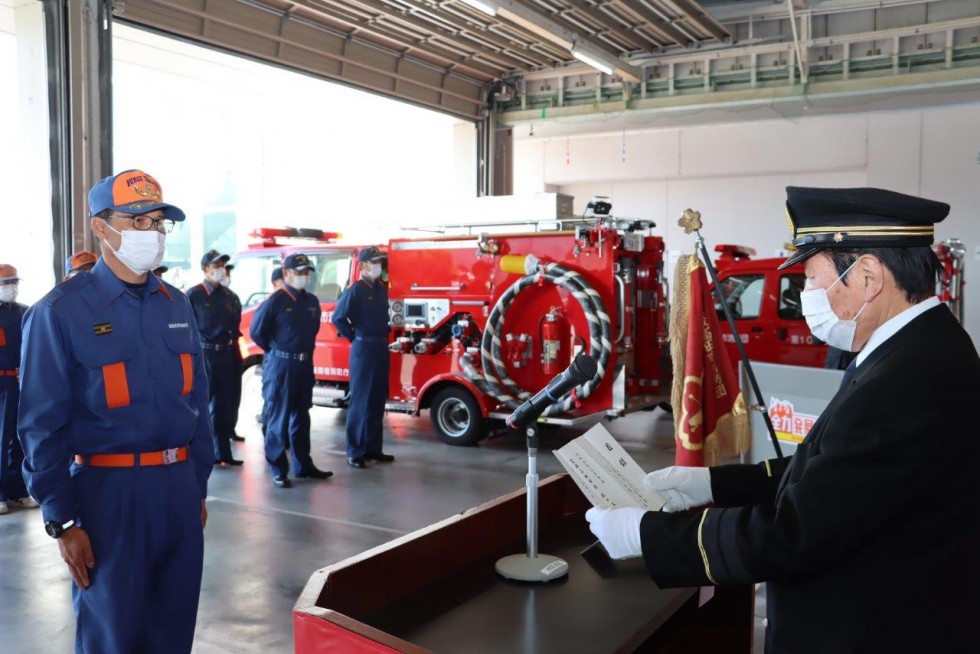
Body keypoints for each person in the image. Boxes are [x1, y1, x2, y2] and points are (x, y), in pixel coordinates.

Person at [585, 187, 980, 653]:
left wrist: (645, 534)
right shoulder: (915, 349)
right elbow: (830, 470)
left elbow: (796, 532)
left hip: (872, 630)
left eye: (813, 279)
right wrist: (712, 484)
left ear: (869, 277)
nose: (808, 295)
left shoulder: (908, 379)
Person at [18, 169, 214, 653]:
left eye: (158, 224)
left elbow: (198, 405)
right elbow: (42, 425)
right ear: (101, 229)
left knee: (173, 629)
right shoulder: (60, 312)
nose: (151, 235)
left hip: (177, 491)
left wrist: (197, 486)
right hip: (108, 497)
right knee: (114, 636)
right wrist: (62, 519)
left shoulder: (179, 305)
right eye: (138, 221)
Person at [249, 253, 332, 487]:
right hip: (280, 366)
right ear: (286, 274)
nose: (304, 277)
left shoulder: (311, 301)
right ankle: (278, 468)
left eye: (307, 273)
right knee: (278, 418)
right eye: (299, 272)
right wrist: (276, 351)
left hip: (304, 365)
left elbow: (312, 331)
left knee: (301, 416)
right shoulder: (275, 301)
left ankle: (303, 464)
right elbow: (257, 332)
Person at [332, 246, 394, 469]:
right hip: (364, 348)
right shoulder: (356, 290)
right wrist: (355, 337)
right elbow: (338, 318)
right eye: (374, 262)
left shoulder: (381, 289)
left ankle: (372, 448)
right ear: (364, 265)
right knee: (361, 401)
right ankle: (354, 451)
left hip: (380, 347)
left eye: (380, 262)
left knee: (377, 400)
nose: (379, 266)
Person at [187, 250, 243, 465]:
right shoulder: (194, 295)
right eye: (215, 265)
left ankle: (223, 453)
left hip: (227, 355)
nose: (220, 268)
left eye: (222, 264)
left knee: (225, 406)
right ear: (205, 269)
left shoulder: (230, 296)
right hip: (205, 355)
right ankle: (202, 453)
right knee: (204, 405)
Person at [0, 264, 38, 515]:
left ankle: (17, 491)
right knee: (1, 439)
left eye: (15, 282)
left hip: (19, 381)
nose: (12, 287)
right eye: (6, 283)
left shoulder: (24, 312)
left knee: (18, 438)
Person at [222, 263, 245, 442]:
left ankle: (229, 429)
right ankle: (215, 440)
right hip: (209, 353)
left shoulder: (232, 297)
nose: (225, 274)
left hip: (231, 351)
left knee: (232, 396)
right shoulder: (195, 295)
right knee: (213, 399)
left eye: (227, 271)